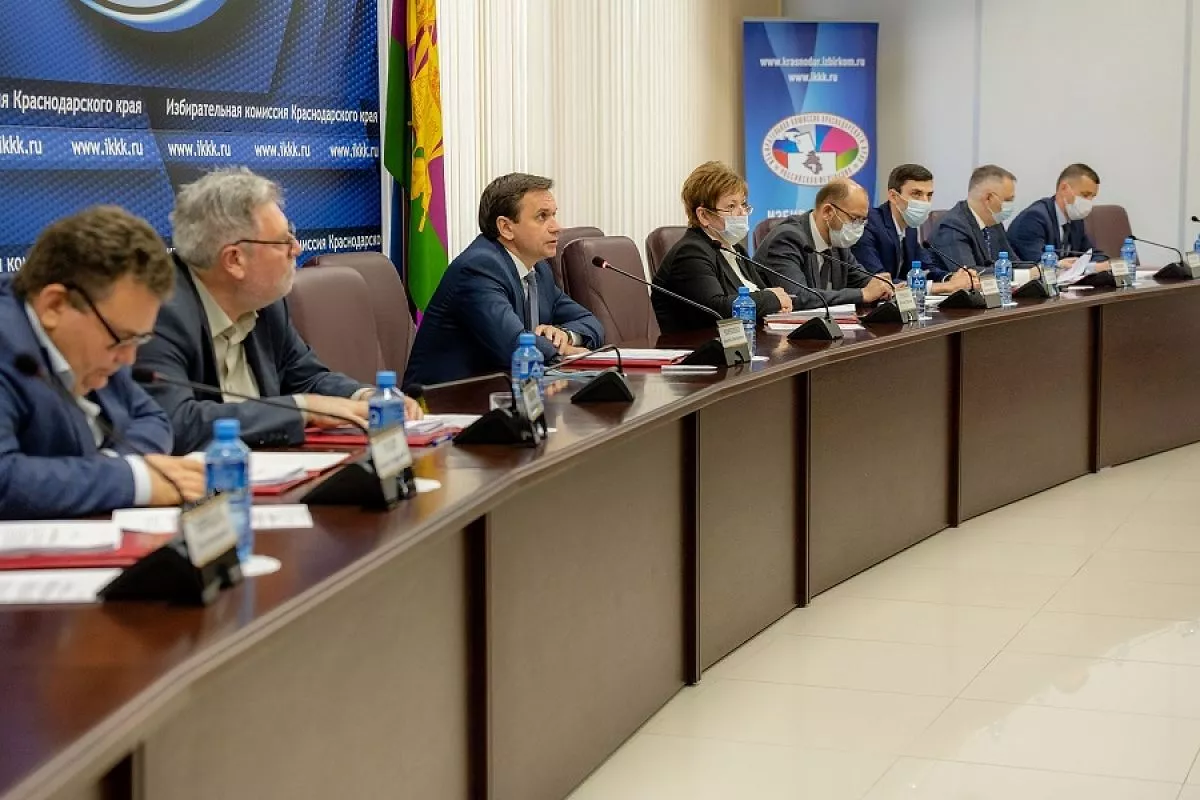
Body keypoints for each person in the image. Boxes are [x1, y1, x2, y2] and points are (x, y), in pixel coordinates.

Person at [136, 167, 420, 456]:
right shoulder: (158, 314)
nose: (297, 249)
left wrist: (366, 397)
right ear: (234, 260)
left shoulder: (265, 302)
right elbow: (176, 423)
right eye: (283, 241)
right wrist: (302, 409)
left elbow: (306, 377)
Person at [0, 206, 206, 519]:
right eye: (122, 339)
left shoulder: (102, 339)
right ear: (55, 305)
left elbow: (152, 418)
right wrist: (132, 480)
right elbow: (4, 480)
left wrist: (108, 467)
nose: (129, 358)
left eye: (138, 340)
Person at [404, 173, 604, 386]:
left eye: (554, 215)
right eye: (542, 217)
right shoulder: (479, 268)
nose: (557, 227)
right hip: (444, 399)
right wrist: (562, 350)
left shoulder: (538, 270)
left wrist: (566, 335)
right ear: (506, 228)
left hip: (506, 392)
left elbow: (591, 323)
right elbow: (514, 346)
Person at [651, 161, 792, 333]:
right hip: (699, 346)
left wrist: (777, 303)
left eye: (743, 204)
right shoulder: (691, 253)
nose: (742, 213)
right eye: (731, 206)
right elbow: (717, 309)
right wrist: (771, 299)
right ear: (704, 215)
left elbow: (765, 293)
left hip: (746, 340)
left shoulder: (736, 250)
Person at [757, 177, 895, 309]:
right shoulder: (787, 238)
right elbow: (797, 297)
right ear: (827, 212)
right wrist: (862, 294)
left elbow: (861, 280)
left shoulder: (837, 241)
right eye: (854, 219)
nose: (859, 227)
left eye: (862, 220)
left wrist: (883, 286)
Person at [854, 163, 978, 294]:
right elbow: (879, 282)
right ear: (893, 196)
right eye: (916, 194)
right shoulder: (868, 223)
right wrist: (946, 287)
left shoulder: (910, 227)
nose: (924, 201)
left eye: (929, 195)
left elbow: (926, 267)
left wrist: (953, 278)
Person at [1007, 163, 1107, 264]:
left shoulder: (1076, 220)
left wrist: (1094, 265)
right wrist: (1085, 267)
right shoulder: (1034, 218)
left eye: (1092, 197)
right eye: (1085, 195)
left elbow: (1094, 254)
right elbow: (1040, 264)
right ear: (1064, 188)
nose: (1089, 202)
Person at [929, 165, 1018, 273]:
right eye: (1007, 200)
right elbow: (968, 272)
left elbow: (1013, 262)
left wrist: (1033, 270)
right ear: (988, 198)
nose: (1010, 205)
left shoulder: (994, 222)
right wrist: (1019, 274)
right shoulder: (952, 225)